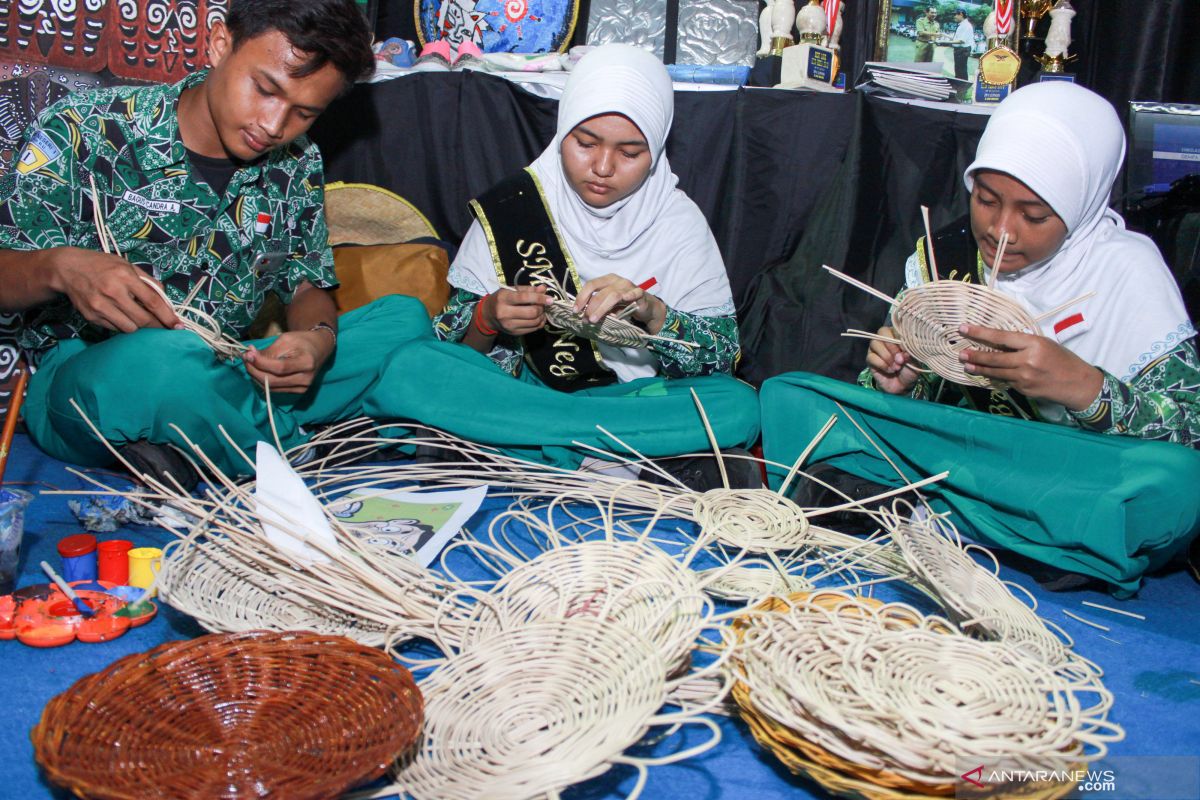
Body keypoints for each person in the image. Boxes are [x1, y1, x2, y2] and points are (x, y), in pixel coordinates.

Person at [761, 83, 1200, 593]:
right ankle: (1020, 537)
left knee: (1181, 484)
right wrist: (896, 380)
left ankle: (937, 515)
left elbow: (1190, 430)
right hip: (958, 454)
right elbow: (914, 404)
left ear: (1081, 207)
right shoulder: (945, 254)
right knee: (792, 396)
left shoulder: (1126, 269)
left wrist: (1083, 389)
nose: (1001, 230)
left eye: (1034, 215)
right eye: (986, 200)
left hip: (1063, 472)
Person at [0, 0, 418, 487]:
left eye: (304, 113)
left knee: (402, 321)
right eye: (265, 89)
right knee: (160, 362)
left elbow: (306, 286)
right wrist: (63, 267)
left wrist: (316, 340)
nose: (274, 125)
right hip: (91, 380)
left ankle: (195, 438)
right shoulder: (84, 128)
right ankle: (302, 461)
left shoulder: (296, 163)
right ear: (220, 44)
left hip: (229, 363)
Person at [364, 44, 759, 489]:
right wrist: (488, 317)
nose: (603, 168)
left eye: (630, 153)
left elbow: (721, 359)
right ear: (561, 129)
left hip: (634, 400)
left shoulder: (677, 221)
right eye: (585, 143)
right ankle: (616, 456)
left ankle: (528, 447)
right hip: (530, 394)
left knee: (736, 403)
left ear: (658, 147)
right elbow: (452, 345)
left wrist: (653, 312)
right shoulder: (513, 207)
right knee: (412, 367)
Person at [951, 9, 974, 80]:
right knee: (958, 70)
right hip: (960, 50)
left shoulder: (966, 25)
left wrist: (944, 42)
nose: (954, 17)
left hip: (962, 50)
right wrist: (945, 35)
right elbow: (958, 38)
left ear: (961, 14)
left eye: (955, 15)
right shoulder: (963, 25)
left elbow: (961, 41)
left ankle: (961, 88)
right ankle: (960, 88)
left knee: (961, 71)